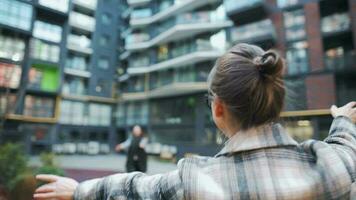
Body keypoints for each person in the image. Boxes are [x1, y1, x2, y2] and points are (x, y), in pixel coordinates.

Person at [33, 43, 356, 200]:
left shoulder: (197, 182)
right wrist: (342, 120)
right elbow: (344, 145)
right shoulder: (332, 168)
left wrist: (78, 192)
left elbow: (132, 188)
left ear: (218, 109)